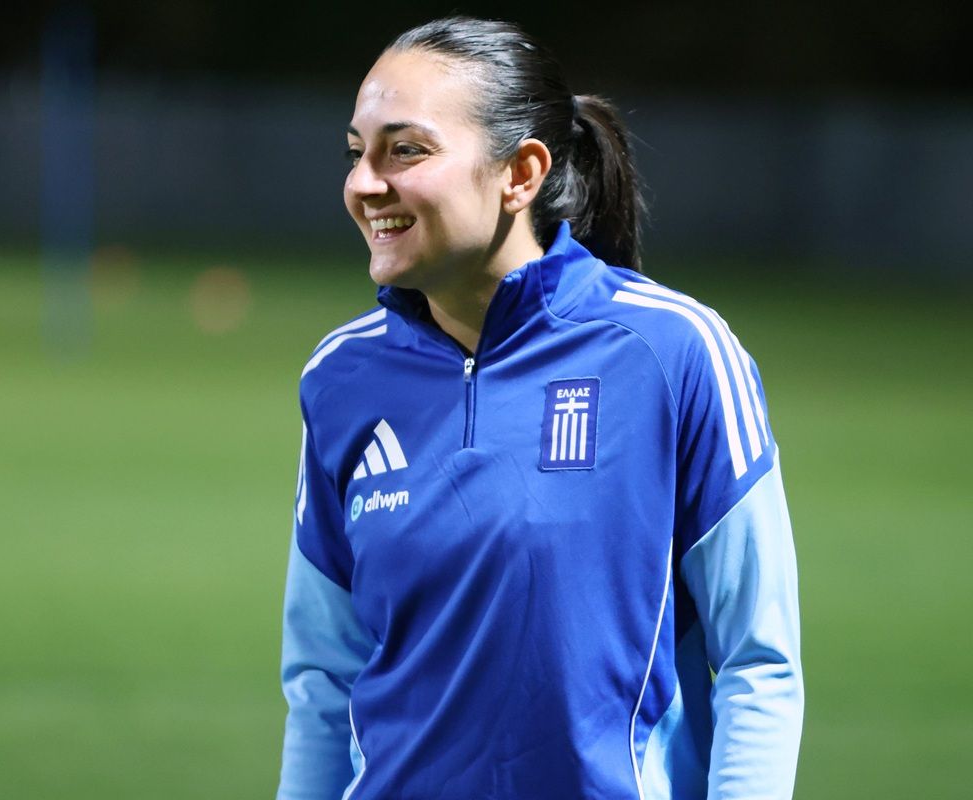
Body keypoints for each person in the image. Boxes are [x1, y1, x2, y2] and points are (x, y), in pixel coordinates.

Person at [278, 16, 803, 800]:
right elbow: (324, 678)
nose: (364, 183)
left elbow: (759, 661)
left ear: (520, 173)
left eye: (406, 149)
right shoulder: (341, 377)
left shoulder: (675, 352)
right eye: (358, 152)